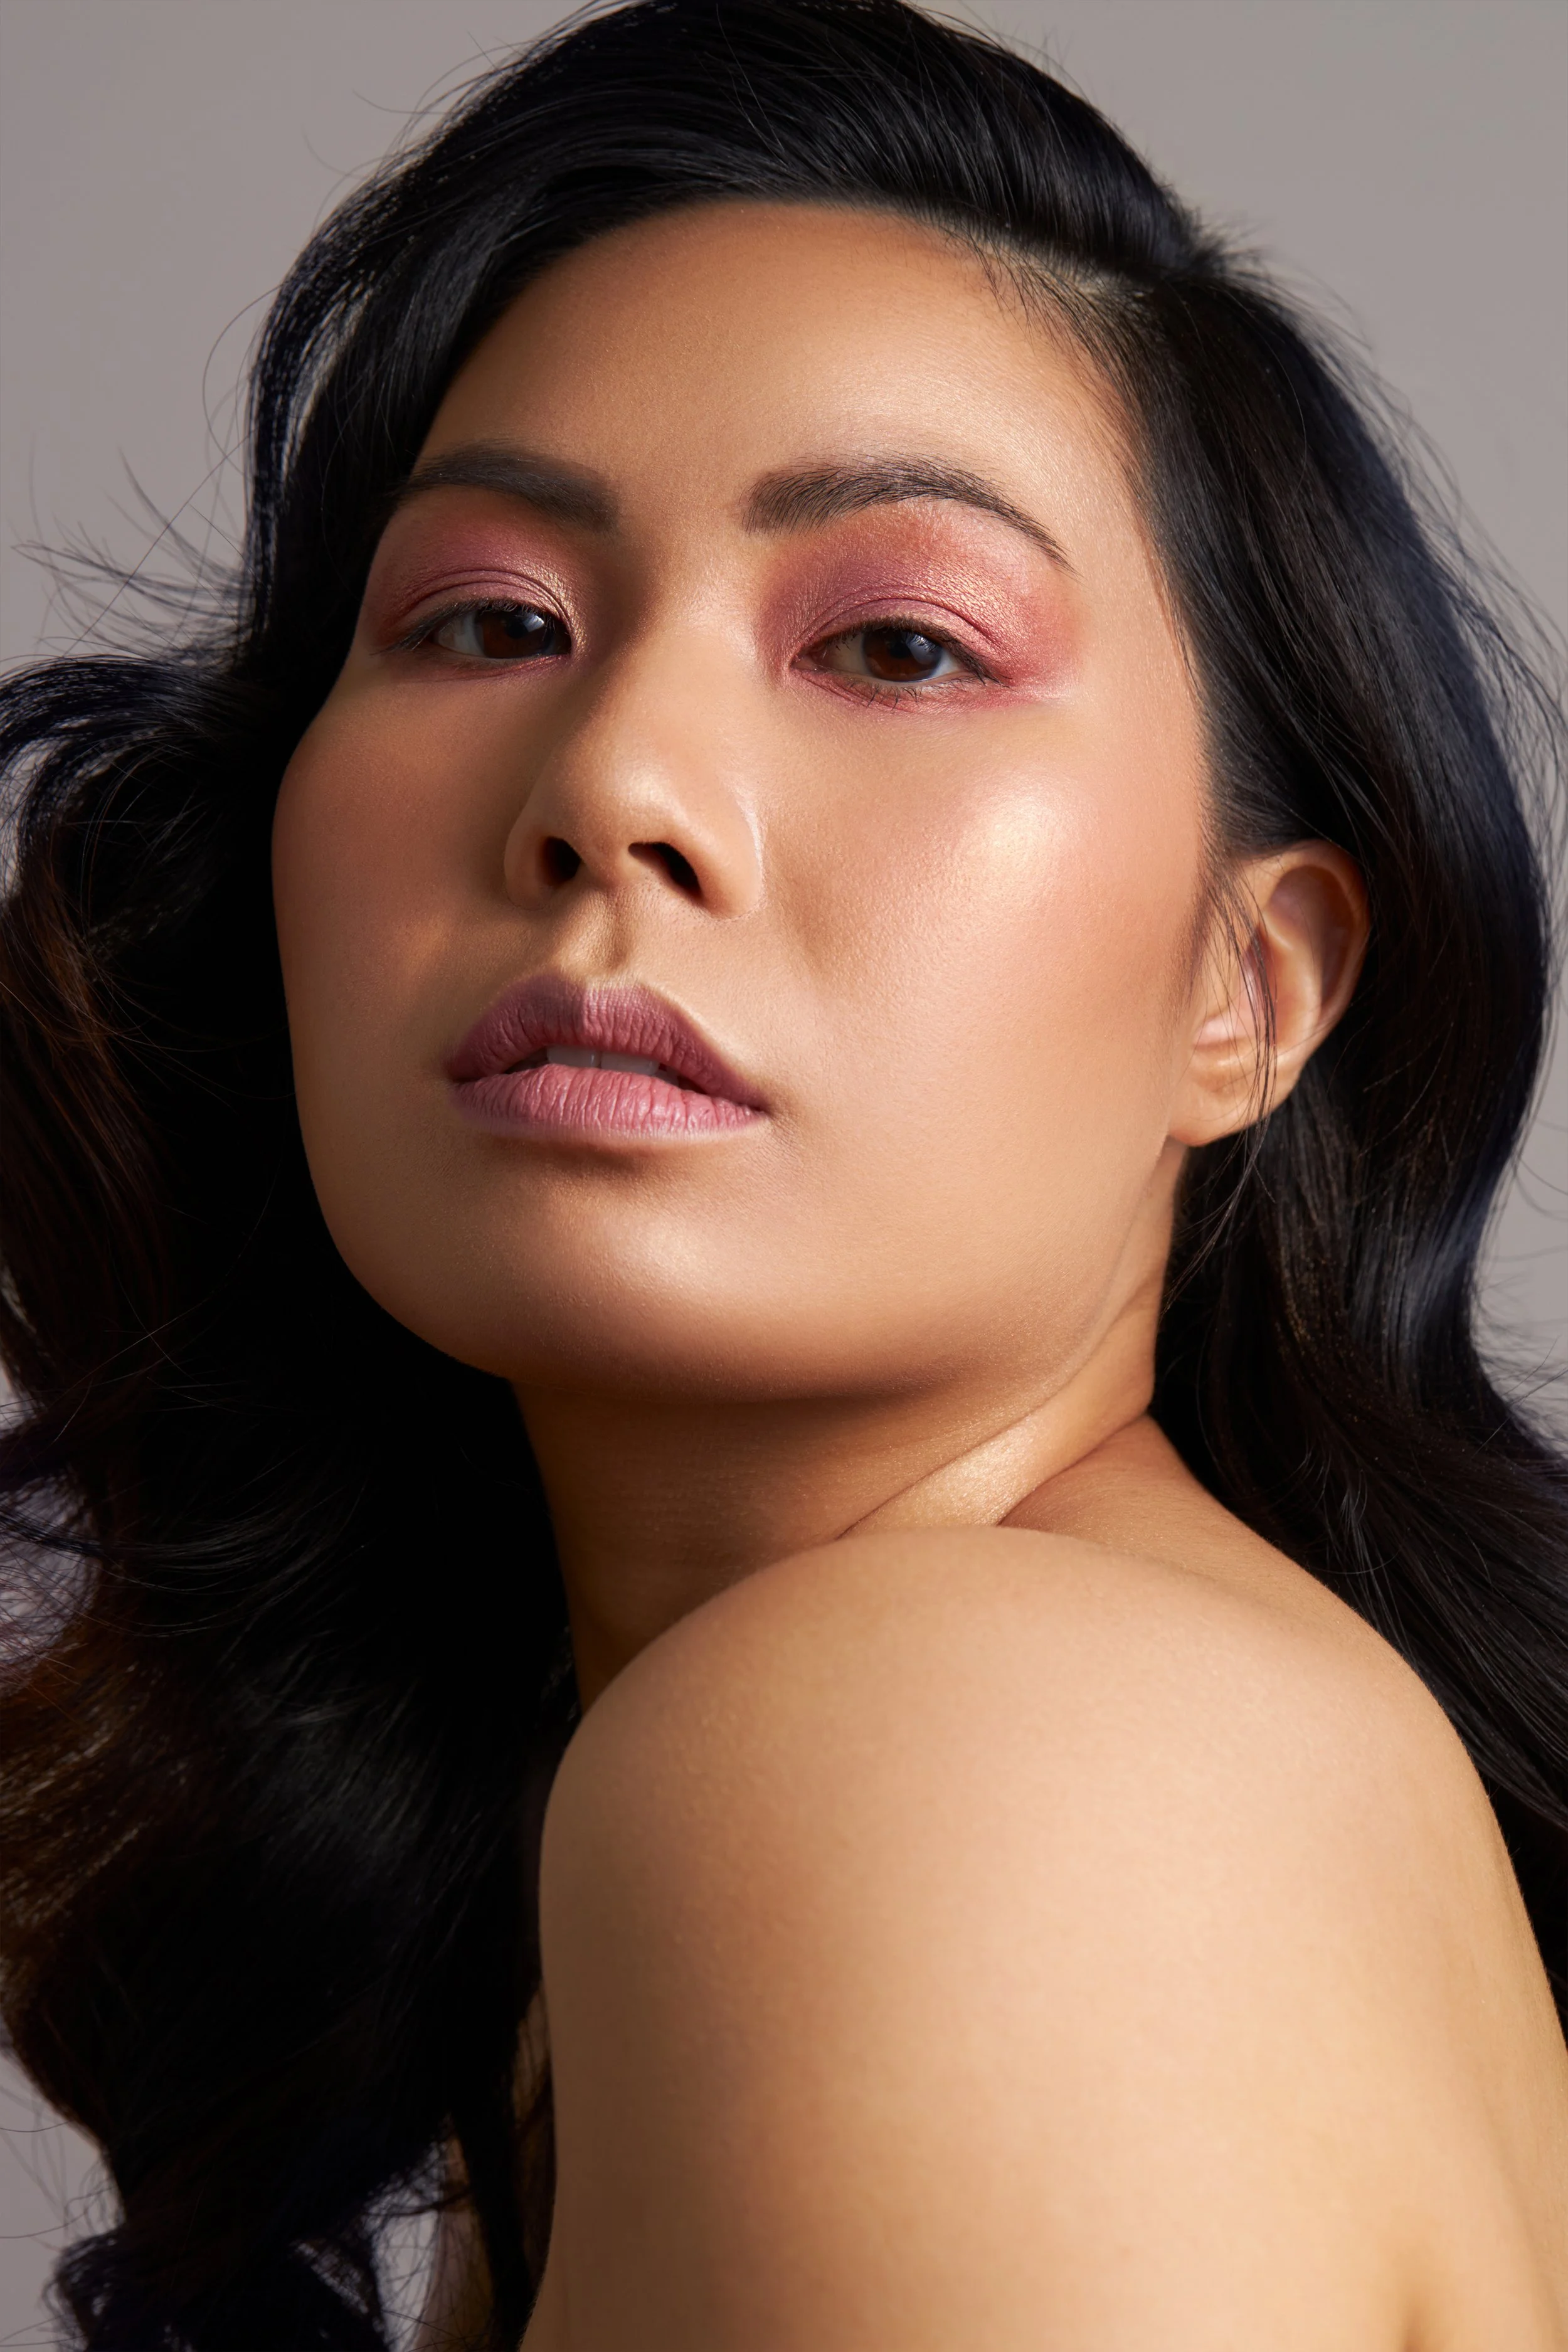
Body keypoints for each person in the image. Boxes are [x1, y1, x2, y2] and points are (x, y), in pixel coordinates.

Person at [1, 1, 1565, 2344]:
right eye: (488, 619)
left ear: (1248, 987)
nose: (612, 776)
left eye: (901, 644)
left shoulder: (961, 1751)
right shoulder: (882, 1783)